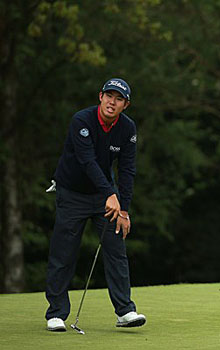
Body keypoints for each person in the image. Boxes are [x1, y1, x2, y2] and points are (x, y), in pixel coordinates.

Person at [45, 78, 146, 331]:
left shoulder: (127, 129)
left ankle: (125, 311)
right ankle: (56, 314)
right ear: (100, 97)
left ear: (126, 104)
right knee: (64, 252)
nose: (113, 102)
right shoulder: (82, 120)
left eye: (119, 98)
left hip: (105, 198)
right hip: (72, 193)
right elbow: (86, 161)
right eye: (109, 96)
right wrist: (110, 194)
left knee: (116, 249)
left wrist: (123, 208)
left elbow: (127, 170)